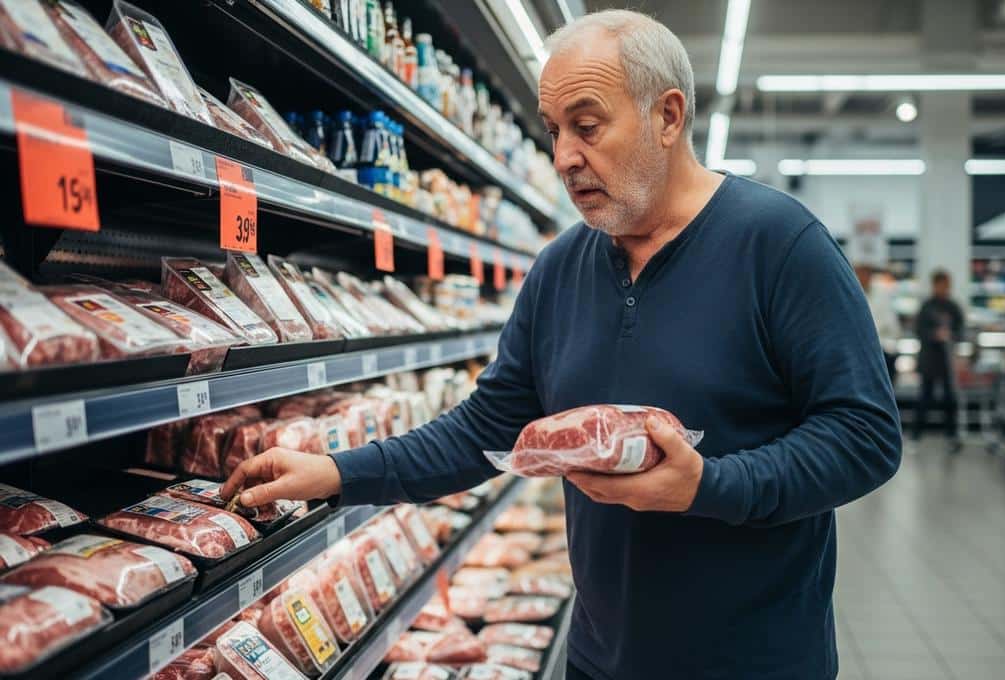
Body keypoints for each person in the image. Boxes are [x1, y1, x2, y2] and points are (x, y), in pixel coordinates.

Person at [224, 10, 901, 679]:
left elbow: (864, 435)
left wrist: (709, 486)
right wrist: (339, 473)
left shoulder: (779, 244)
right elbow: (485, 431)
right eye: (553, 132)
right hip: (599, 658)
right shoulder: (559, 270)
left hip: (755, 662)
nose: (563, 157)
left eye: (587, 126)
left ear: (668, 117)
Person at [912, 269, 965, 450]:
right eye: (941, 284)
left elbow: (960, 330)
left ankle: (951, 436)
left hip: (947, 360)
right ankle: (915, 436)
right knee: (925, 398)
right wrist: (934, 335)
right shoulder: (927, 307)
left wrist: (952, 336)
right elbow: (918, 330)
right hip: (929, 360)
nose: (944, 288)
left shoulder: (953, 307)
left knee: (950, 399)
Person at [856, 264, 900, 384]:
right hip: (860, 353)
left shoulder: (882, 293)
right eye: (860, 273)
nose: (863, 277)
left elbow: (891, 325)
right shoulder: (851, 293)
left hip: (882, 350)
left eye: (866, 273)